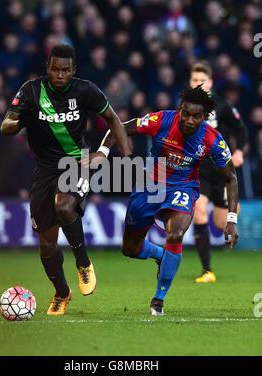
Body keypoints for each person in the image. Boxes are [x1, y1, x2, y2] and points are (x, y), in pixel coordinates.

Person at [0, 44, 131, 315]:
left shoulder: (85, 90)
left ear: (73, 71)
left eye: (65, 70)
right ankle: (62, 293)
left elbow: (113, 119)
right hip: (44, 170)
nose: (59, 75)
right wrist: (20, 120)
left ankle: (83, 263)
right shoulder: (31, 91)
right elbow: (5, 126)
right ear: (47, 67)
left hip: (76, 161)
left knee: (64, 206)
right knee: (47, 244)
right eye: (55, 69)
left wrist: (118, 156)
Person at [87, 85, 239, 315]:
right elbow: (119, 126)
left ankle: (159, 299)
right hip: (150, 186)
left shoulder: (212, 139)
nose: (189, 120)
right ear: (179, 109)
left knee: (175, 234)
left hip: (183, 188)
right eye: (185, 113)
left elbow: (231, 178)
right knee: (130, 249)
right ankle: (160, 255)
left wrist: (231, 219)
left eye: (196, 116)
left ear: (204, 117)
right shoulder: (161, 120)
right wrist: (103, 152)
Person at [189, 62, 247, 282]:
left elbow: (240, 129)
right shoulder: (185, 110)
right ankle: (207, 271)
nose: (198, 83)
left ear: (210, 83)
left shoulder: (222, 106)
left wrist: (239, 151)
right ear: (190, 82)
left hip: (221, 171)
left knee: (221, 224)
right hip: (199, 170)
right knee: (199, 211)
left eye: (201, 80)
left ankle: (233, 207)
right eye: (194, 80)